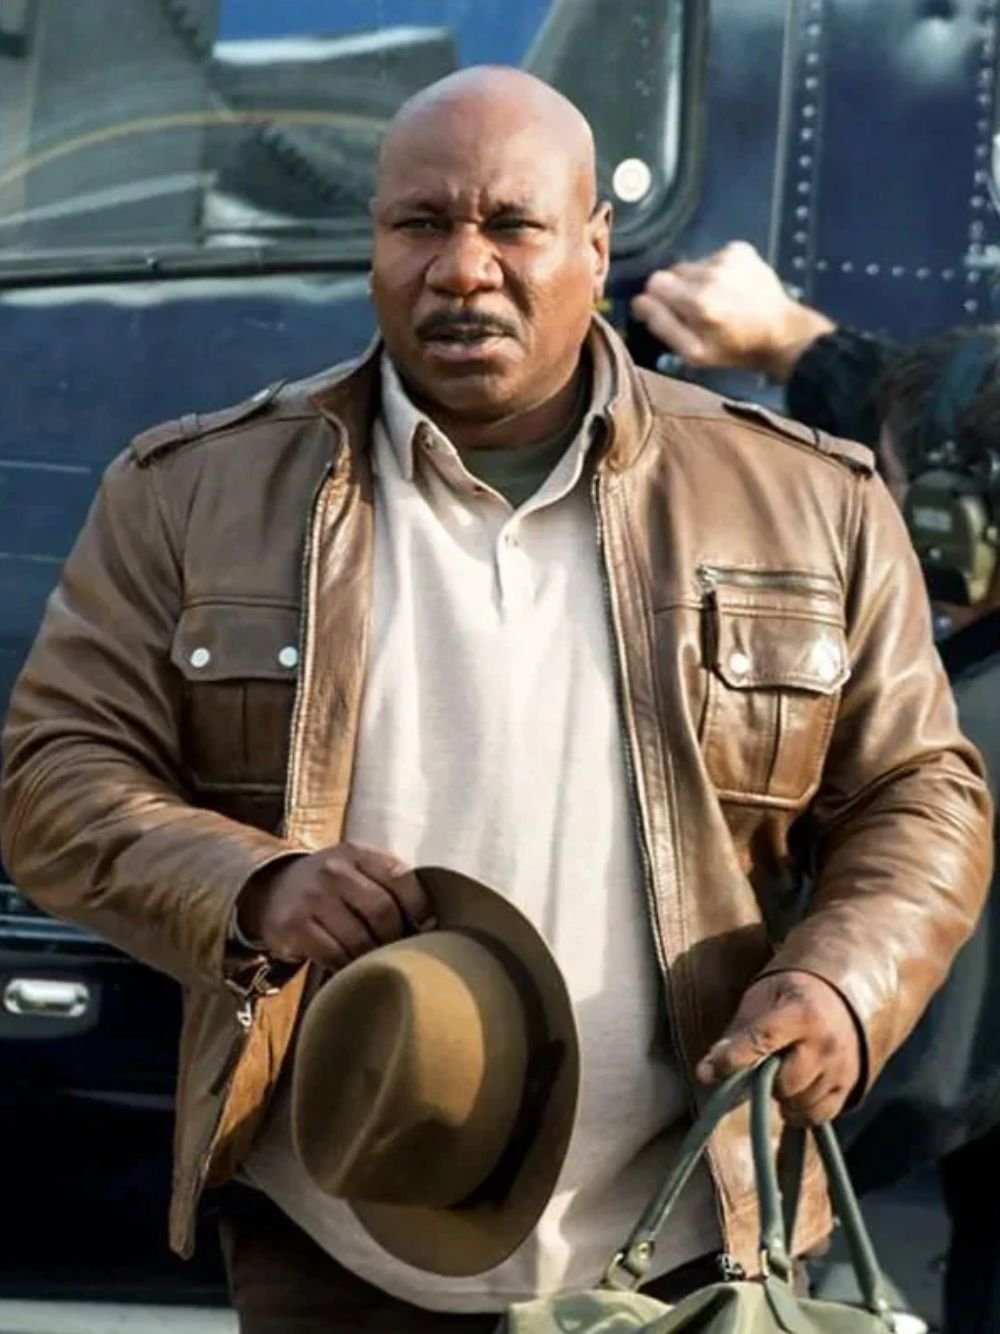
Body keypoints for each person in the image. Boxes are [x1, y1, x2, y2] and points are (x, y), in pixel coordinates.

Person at [1, 71, 992, 1334]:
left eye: (511, 225)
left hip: (689, 1246)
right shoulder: (192, 492)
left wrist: (845, 983)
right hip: (332, 1236)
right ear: (373, 242)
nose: (462, 269)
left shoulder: (808, 501)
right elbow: (54, 773)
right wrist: (249, 884)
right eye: (419, 223)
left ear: (595, 246)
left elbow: (920, 791)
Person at [633, 241, 1000, 1333]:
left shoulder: (971, 737)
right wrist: (796, 343)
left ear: (950, 526)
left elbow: (910, 1081)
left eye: (891, 489)